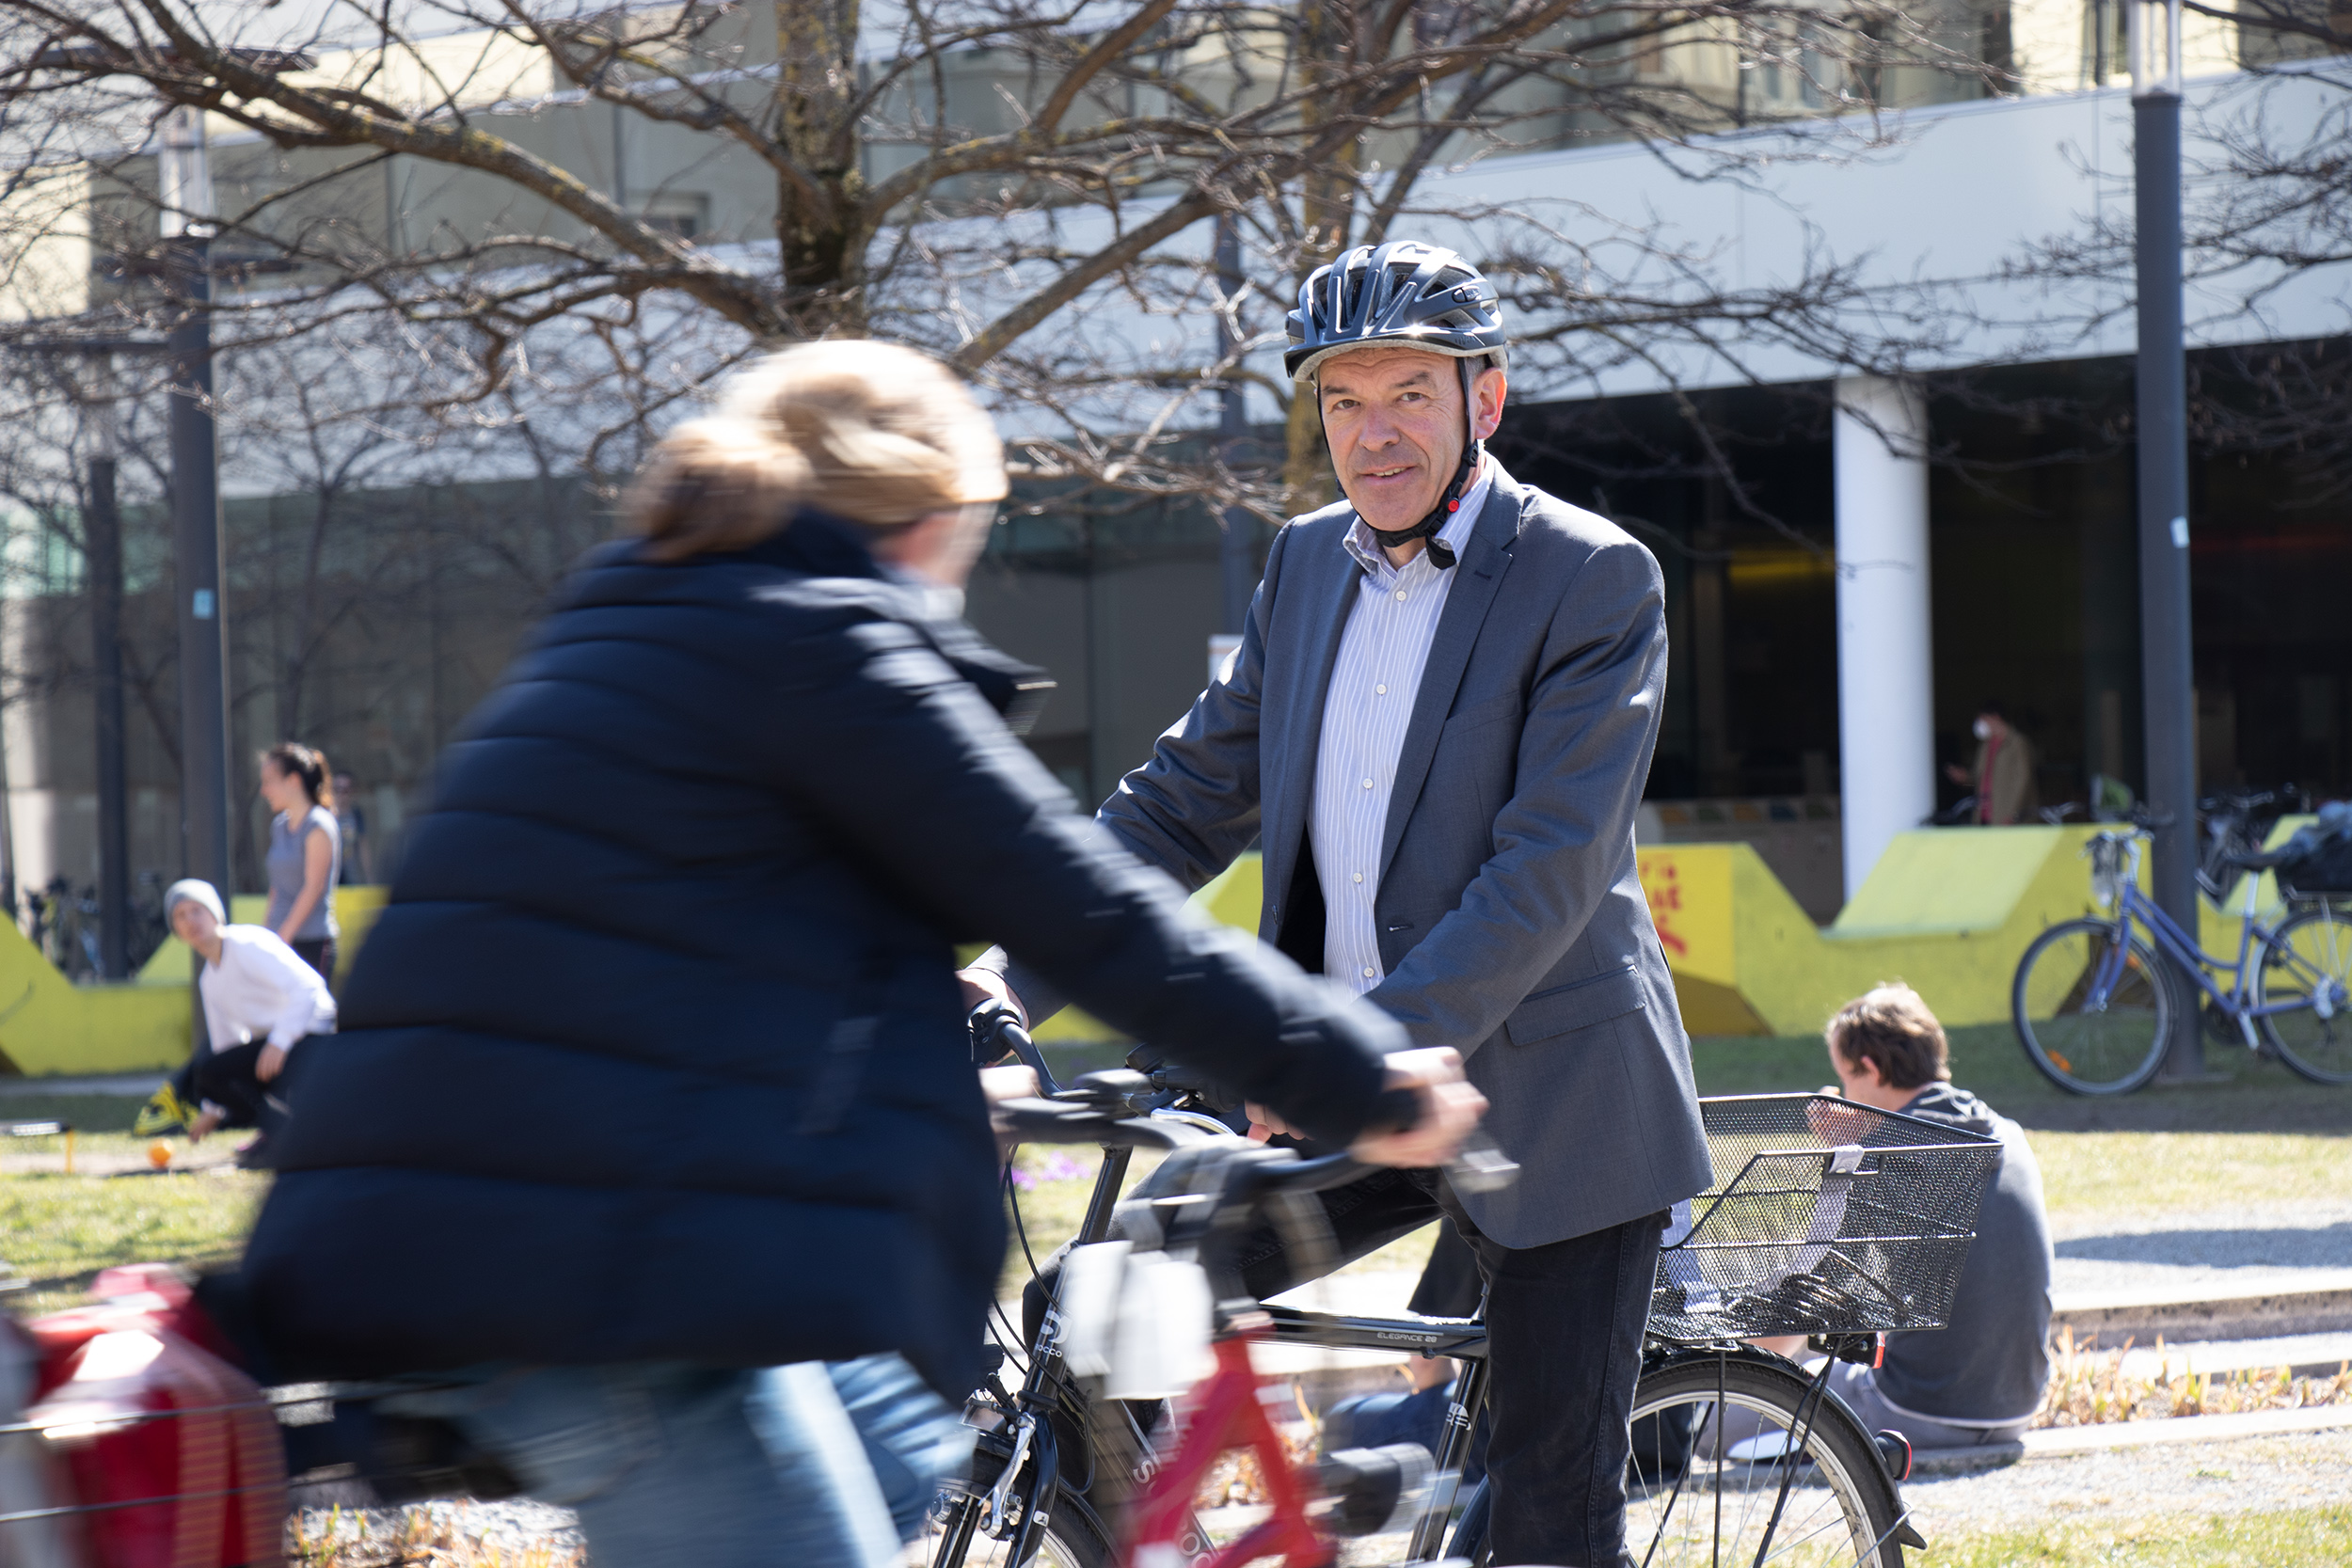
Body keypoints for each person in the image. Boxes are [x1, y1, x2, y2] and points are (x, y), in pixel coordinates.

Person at [237, 340, 1484, 1568]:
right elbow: (1094, 911)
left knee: (904, 1431)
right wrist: (1369, 1078)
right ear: (931, 516)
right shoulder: (828, 640)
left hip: (494, 1230)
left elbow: (702, 929)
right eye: (974, 535)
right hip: (607, 1282)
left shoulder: (648, 620)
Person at [965, 239, 1711, 1568]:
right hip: (1331, 1076)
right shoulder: (1306, 566)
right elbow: (1181, 799)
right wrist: (1005, 974)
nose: (1375, 435)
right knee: (1106, 1304)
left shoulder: (1595, 579)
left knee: (1544, 1515)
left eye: (1409, 395)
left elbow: (1543, 871)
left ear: (1486, 400)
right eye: (1345, 400)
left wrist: (1336, 1058)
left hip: (1556, 1097)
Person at [1755, 983, 2054, 1448]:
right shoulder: (2007, 1133)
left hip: (1914, 1409)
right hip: (2016, 1408)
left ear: (1871, 1069)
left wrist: (1847, 1157)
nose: (1843, 1096)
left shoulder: (1892, 1151)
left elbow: (1812, 1290)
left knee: (1721, 1419)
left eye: (1847, 1081)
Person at [158, 879, 337, 1164]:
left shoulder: (248, 943)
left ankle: (301, 1138)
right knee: (210, 1073)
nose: (190, 920)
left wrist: (281, 1041)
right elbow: (226, 1044)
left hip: (316, 1037)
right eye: (180, 915)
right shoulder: (209, 981)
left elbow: (309, 986)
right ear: (176, 930)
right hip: (279, 1047)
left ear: (215, 913)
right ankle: (279, 1135)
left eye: (197, 910)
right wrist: (213, 1111)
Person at [260, 743, 342, 978]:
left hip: (310, 944)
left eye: (269, 781)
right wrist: (268, 936)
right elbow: (277, 887)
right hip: (280, 942)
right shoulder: (279, 826)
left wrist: (285, 936)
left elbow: (313, 887)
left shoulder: (319, 825)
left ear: (293, 781)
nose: (264, 791)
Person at [1945, 701, 2038, 826]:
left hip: (2006, 815)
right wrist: (1965, 777)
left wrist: (2013, 813)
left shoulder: (2017, 743)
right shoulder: (1985, 745)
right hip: (1984, 814)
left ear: (1995, 717)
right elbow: (1980, 777)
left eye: (1983, 718)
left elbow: (2024, 779)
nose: (1979, 723)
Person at [331, 769, 373, 884]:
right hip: (330, 876)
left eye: (345, 790)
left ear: (352, 792)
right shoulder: (325, 815)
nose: (340, 794)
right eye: (337, 789)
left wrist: (369, 878)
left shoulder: (356, 814)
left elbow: (363, 846)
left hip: (351, 876)